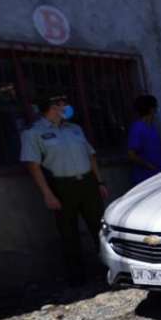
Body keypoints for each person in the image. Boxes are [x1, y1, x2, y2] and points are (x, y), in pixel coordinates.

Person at [19, 94, 109, 285]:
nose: (66, 107)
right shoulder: (33, 133)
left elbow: (91, 156)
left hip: (87, 183)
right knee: (69, 233)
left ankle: (109, 269)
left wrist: (99, 182)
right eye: (61, 104)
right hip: (61, 186)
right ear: (51, 107)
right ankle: (77, 277)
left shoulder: (74, 129)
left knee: (100, 228)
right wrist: (47, 194)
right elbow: (33, 166)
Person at [127, 93, 161, 185]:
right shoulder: (137, 128)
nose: (156, 110)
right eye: (155, 107)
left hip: (159, 174)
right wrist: (150, 166)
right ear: (151, 109)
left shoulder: (152, 127)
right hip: (146, 178)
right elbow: (131, 155)